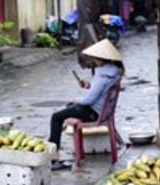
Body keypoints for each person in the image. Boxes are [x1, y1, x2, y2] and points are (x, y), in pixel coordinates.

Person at [49, 39, 125, 170]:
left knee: (56, 117)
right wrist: (89, 85)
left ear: (101, 58)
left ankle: (53, 158)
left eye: (95, 58)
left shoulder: (103, 76)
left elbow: (88, 100)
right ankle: (60, 131)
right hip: (103, 111)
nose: (93, 60)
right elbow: (101, 91)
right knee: (68, 108)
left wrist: (78, 100)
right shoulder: (114, 72)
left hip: (93, 113)